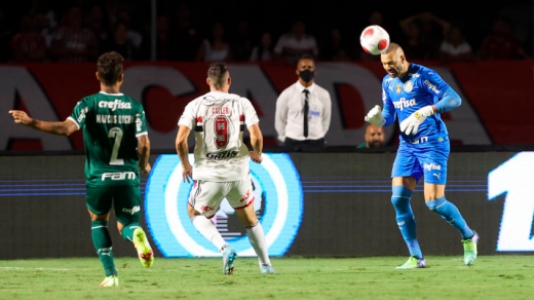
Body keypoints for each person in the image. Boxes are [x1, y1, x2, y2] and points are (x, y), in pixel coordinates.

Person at [8, 51, 154, 286]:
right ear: (122, 77)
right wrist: (143, 163)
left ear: (97, 75)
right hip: (128, 176)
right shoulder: (134, 107)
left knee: (99, 221)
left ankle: (111, 275)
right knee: (127, 224)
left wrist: (31, 121)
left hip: (100, 178)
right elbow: (144, 143)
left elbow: (66, 129)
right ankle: (136, 236)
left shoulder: (88, 104)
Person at [364, 43, 478, 269]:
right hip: (407, 148)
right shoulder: (388, 82)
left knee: (434, 203)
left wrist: (426, 111)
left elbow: (454, 99)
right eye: (384, 64)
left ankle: (468, 236)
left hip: (433, 145)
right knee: (398, 199)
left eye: (392, 63)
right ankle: (416, 257)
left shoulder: (424, 75)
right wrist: (378, 120)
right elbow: (389, 115)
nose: (388, 68)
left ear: (403, 58)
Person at [175, 61, 275, 275]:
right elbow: (256, 134)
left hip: (209, 174)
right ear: (229, 81)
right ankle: (266, 266)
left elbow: (180, 141)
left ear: (207, 82)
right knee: (250, 219)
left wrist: (185, 165)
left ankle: (224, 247)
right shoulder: (242, 103)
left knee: (193, 212)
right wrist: (256, 152)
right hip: (238, 173)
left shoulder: (195, 105)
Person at [275, 54, 331, 151]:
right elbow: (280, 120)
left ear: (315, 71)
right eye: (303, 67)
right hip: (292, 142)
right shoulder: (286, 94)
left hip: (316, 143)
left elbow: (326, 120)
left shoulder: (324, 94)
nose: (307, 70)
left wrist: (318, 135)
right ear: (297, 71)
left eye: (310, 67)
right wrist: (285, 138)